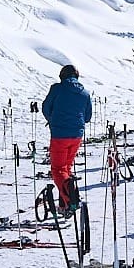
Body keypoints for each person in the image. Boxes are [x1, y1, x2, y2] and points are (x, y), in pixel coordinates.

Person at [41, 64, 93, 214]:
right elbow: (88, 116)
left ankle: (71, 200)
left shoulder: (57, 88)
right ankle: (64, 204)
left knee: (58, 170)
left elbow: (46, 107)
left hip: (59, 134)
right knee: (66, 169)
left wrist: (53, 120)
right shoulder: (85, 93)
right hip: (77, 135)